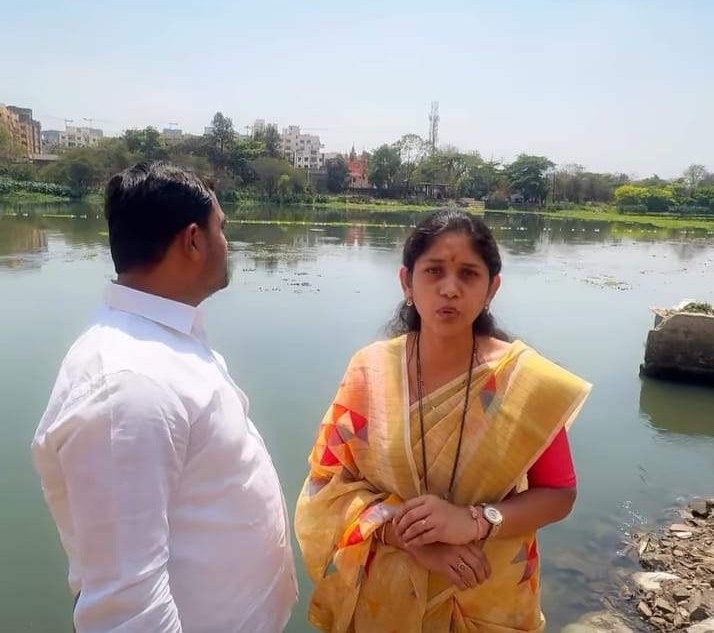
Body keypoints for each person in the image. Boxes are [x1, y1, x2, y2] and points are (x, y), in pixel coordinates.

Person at [294, 208, 591, 632]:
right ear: (407, 282)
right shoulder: (369, 372)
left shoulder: (525, 382)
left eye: (468, 274)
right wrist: (413, 540)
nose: (450, 289)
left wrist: (474, 522)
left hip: (484, 593)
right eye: (434, 271)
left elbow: (559, 495)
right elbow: (325, 486)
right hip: (384, 597)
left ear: (492, 288)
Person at [31, 161, 297, 633]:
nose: (227, 243)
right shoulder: (127, 384)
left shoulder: (160, 342)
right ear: (193, 241)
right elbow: (129, 611)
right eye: (221, 228)